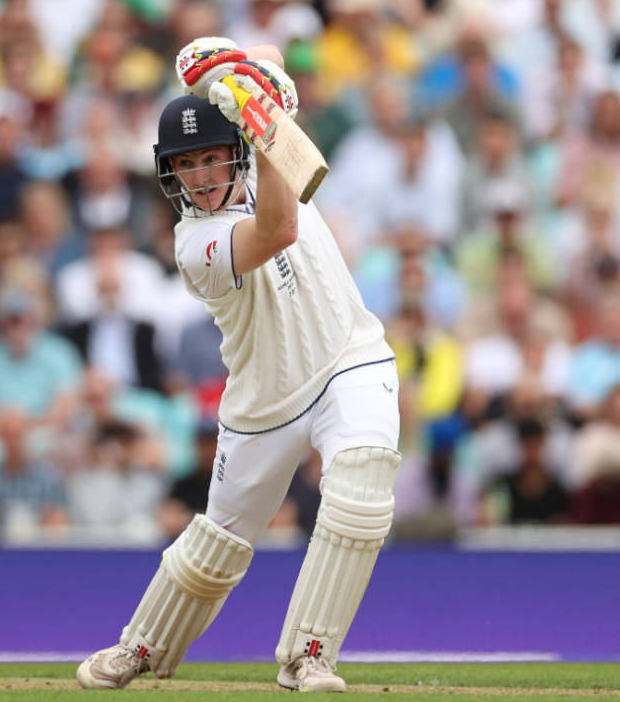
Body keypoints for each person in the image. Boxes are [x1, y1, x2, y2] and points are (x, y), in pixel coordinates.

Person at [77, 40, 400, 694]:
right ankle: (142, 646)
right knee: (218, 543)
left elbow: (271, 53)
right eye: (185, 164)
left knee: (362, 489)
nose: (198, 175)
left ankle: (310, 655)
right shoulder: (193, 243)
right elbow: (279, 228)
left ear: (236, 154)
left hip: (350, 357)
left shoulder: (266, 152)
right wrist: (261, 119)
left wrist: (245, 71)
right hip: (264, 396)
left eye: (210, 157)